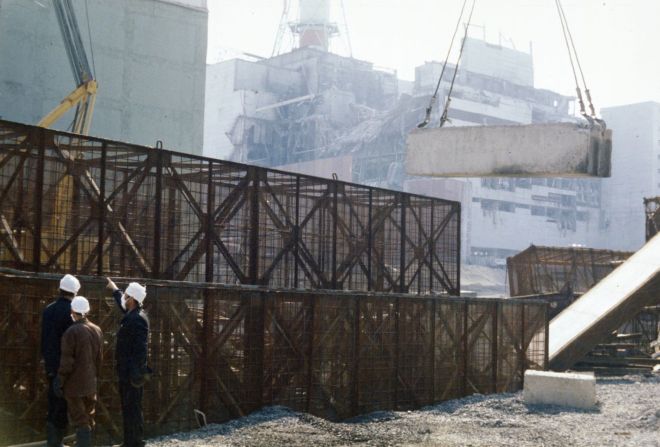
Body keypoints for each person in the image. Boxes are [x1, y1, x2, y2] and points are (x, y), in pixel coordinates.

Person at [54, 296, 103, 447]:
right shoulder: (97, 330)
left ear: (73, 311)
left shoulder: (71, 332)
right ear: (86, 311)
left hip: (74, 386)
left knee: (80, 420)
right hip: (90, 384)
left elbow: (67, 362)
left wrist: (59, 381)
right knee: (88, 418)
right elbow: (99, 360)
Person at [106, 278, 150, 447]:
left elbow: (140, 350)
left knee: (133, 409)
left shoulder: (136, 319)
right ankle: (130, 442)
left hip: (132, 374)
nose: (123, 297)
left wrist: (135, 374)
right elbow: (122, 303)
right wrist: (115, 289)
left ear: (132, 299)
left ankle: (136, 442)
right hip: (129, 373)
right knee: (129, 408)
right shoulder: (134, 314)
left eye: (126, 295)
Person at [41, 273, 80, 446]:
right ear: (75, 293)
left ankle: (52, 442)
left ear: (60, 289)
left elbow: (45, 339)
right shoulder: (72, 313)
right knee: (63, 406)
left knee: (52, 404)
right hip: (66, 368)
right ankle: (58, 443)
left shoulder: (48, 309)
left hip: (50, 365)